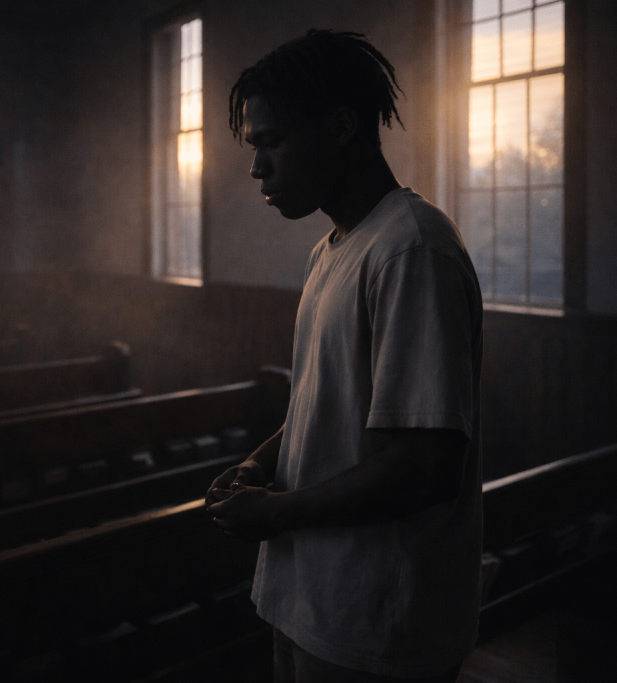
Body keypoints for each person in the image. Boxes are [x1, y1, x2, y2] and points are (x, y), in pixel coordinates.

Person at [205, 29, 483, 682]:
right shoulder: (333, 248)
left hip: (375, 620)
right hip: (310, 598)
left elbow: (427, 466)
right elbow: (323, 403)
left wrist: (275, 511)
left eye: (271, 141)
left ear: (339, 128)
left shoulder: (411, 248)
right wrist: (259, 463)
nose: (257, 167)